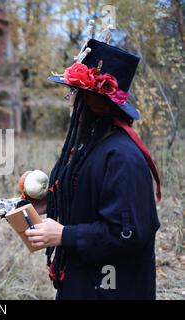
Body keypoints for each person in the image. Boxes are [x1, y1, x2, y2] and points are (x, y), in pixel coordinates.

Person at [24, 39, 161, 300]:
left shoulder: (122, 157)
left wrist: (64, 234)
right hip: (83, 283)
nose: (69, 101)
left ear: (91, 101)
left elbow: (126, 233)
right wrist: (51, 204)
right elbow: (92, 201)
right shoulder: (92, 147)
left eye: (73, 93)